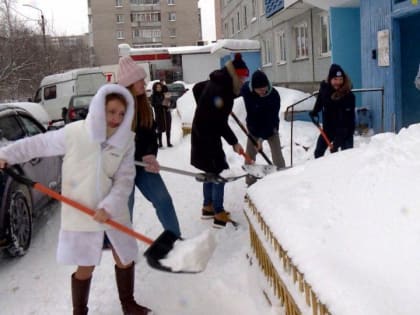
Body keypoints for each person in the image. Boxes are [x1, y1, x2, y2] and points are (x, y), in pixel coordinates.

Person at [0, 84, 151, 314]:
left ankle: (128, 303)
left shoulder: (125, 142)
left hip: (112, 212)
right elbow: (37, 144)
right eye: (111, 111)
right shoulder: (75, 132)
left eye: (122, 113)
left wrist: (109, 206)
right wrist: (6, 155)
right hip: (82, 212)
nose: (116, 118)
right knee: (86, 265)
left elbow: (125, 180)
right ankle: (79, 311)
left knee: (124, 257)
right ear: (100, 108)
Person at [117, 56, 181, 238]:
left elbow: (150, 136)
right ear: (129, 83)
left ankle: (175, 240)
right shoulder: (116, 108)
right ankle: (124, 256)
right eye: (140, 79)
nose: (144, 82)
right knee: (124, 213)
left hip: (142, 166)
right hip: (122, 170)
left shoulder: (145, 106)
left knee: (164, 200)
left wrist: (150, 155)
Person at [191, 53, 248, 228]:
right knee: (219, 171)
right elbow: (220, 123)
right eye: (244, 77)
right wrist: (234, 142)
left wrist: (205, 106)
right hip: (208, 134)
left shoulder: (219, 80)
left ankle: (207, 207)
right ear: (236, 75)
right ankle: (218, 212)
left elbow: (197, 88)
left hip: (201, 131)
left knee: (209, 170)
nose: (245, 81)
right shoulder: (223, 90)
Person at [240, 70, 286, 186]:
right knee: (249, 156)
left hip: (271, 128)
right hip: (253, 128)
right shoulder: (246, 90)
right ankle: (250, 184)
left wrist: (261, 139)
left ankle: (283, 180)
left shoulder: (274, 96)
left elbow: (271, 120)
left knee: (277, 155)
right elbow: (233, 91)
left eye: (264, 88)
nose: (262, 91)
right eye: (259, 89)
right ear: (253, 88)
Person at [309, 63, 356, 158]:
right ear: (330, 79)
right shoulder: (325, 90)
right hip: (329, 129)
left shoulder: (348, 97)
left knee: (347, 157)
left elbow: (347, 121)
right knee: (318, 153)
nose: (338, 82)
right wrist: (315, 112)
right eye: (335, 79)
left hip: (345, 131)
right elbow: (320, 99)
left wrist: (337, 143)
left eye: (340, 79)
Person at [151, 81, 173, 148]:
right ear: (155, 88)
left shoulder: (165, 94)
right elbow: (153, 104)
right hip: (159, 114)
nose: (159, 88)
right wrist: (161, 104)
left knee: (168, 128)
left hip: (166, 114)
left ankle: (168, 142)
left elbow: (172, 102)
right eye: (157, 87)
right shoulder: (153, 96)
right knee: (159, 129)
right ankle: (160, 143)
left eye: (160, 87)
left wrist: (170, 104)